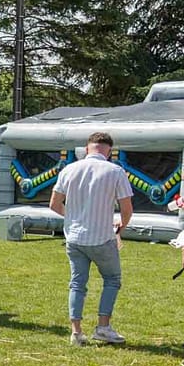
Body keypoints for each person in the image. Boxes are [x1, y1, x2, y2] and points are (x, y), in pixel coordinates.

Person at [51, 131, 133, 346]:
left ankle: (76, 332)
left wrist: (72, 216)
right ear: (109, 151)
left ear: (87, 148)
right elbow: (127, 209)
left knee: (77, 283)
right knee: (112, 279)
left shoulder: (69, 169)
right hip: (102, 236)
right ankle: (103, 326)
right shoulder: (116, 171)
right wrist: (121, 226)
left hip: (75, 236)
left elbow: (54, 204)